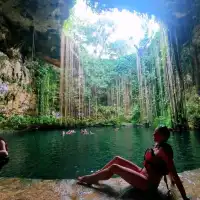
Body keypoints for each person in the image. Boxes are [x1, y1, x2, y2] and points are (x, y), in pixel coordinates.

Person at [77, 126, 190, 200]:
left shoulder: (165, 150)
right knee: (117, 158)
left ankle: (91, 178)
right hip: (142, 173)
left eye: (155, 133)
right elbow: (164, 167)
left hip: (147, 184)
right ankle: (98, 174)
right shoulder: (157, 146)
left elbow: (171, 169)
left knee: (115, 167)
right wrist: (172, 183)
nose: (153, 135)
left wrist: (184, 197)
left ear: (162, 136)